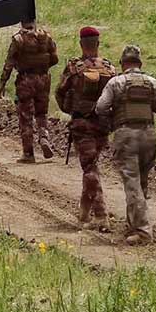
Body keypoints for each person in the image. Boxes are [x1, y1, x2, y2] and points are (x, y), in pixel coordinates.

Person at [94, 45, 156, 244]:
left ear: (123, 63)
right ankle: (132, 225)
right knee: (141, 182)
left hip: (126, 135)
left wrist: (113, 116)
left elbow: (101, 107)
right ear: (140, 63)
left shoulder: (115, 82)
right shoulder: (152, 82)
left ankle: (143, 231)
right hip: (149, 135)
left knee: (132, 183)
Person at [54, 26, 116, 229]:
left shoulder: (74, 67)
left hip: (82, 124)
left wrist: (71, 110)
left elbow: (60, 92)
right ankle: (84, 212)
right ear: (98, 43)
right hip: (103, 125)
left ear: (81, 44)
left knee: (90, 168)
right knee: (92, 165)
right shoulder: (109, 68)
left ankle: (101, 214)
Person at [0, 19, 59, 163]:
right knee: (41, 113)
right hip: (44, 79)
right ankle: (44, 137)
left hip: (26, 80)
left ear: (22, 22)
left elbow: (9, 62)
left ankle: (28, 153)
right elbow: (55, 59)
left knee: (26, 116)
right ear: (34, 21)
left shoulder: (18, 39)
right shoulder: (46, 37)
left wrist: (2, 82)